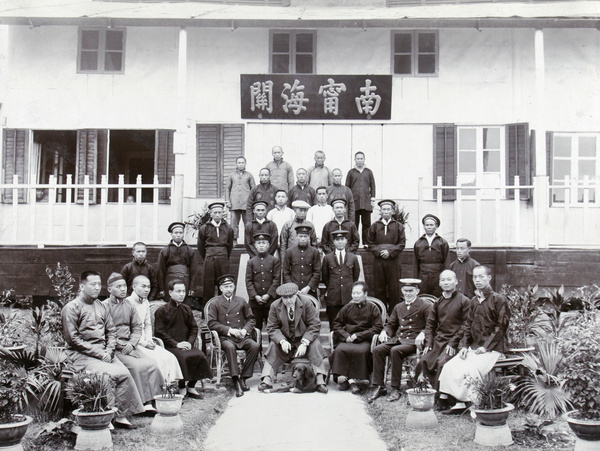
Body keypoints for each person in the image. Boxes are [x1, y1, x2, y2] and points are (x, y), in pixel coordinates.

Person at [62, 271, 145, 429]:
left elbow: (111, 331)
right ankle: (105, 417)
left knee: (125, 373)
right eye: (93, 284)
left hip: (104, 352)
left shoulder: (100, 305)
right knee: (109, 375)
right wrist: (100, 353)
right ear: (81, 286)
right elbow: (72, 339)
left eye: (99, 284)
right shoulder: (71, 308)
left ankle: (121, 416)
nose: (97, 288)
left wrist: (109, 349)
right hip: (81, 354)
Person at [438, 265, 510, 414]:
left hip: (494, 349)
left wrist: (486, 347)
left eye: (481, 276)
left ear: (489, 278)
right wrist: (464, 346)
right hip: (475, 347)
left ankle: (476, 403)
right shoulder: (474, 301)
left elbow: (501, 327)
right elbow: (467, 325)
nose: (477, 280)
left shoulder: (498, 299)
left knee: (471, 368)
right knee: (451, 365)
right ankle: (459, 403)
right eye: (475, 277)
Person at [102, 273, 163, 411]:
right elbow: (105, 333)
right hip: (115, 348)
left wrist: (132, 343)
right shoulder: (104, 306)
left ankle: (153, 400)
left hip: (130, 345)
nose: (123, 289)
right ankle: (141, 402)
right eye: (118, 287)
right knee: (136, 367)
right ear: (110, 289)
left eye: (124, 286)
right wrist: (123, 345)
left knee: (152, 364)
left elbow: (137, 327)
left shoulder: (129, 305)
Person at [367, 279, 433, 403]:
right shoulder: (399, 306)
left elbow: (431, 325)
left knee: (395, 351)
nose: (408, 294)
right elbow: (391, 324)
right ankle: (379, 386)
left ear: (417, 291)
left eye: (411, 291)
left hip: (414, 341)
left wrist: (423, 333)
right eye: (405, 291)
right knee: (378, 350)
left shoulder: (425, 305)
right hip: (399, 339)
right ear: (402, 291)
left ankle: (394, 388)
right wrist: (384, 332)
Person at [258, 283, 328, 394]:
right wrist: (281, 340)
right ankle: (267, 379)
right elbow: (271, 327)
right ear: (281, 297)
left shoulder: (306, 303)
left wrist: (305, 342)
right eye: (285, 298)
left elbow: (314, 325)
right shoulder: (275, 306)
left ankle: (320, 380)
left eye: (291, 296)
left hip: (303, 338)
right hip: (286, 340)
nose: (288, 300)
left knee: (315, 344)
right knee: (273, 345)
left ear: (296, 295)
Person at [154, 280, 212, 399]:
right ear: (170, 292)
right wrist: (176, 344)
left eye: (183, 291)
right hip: (169, 346)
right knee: (182, 357)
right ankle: (181, 388)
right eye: (178, 291)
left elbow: (194, 328)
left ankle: (191, 386)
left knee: (199, 355)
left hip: (186, 345)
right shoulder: (162, 310)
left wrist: (189, 342)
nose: (182, 294)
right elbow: (159, 332)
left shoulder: (186, 309)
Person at [207, 274, 260, 398]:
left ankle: (244, 377)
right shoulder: (215, 303)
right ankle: (235, 379)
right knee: (230, 348)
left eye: (231, 286)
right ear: (221, 289)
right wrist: (229, 330)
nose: (229, 289)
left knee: (255, 346)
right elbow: (211, 323)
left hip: (241, 336)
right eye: (226, 287)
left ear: (234, 287)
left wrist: (245, 330)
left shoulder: (241, 301)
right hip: (226, 337)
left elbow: (251, 319)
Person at [416, 270, 470, 391]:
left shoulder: (464, 301)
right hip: (438, 341)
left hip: (455, 342)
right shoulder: (437, 303)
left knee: (442, 363)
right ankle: (425, 391)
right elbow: (430, 324)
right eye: (443, 280)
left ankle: (441, 397)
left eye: (449, 279)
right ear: (439, 283)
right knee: (424, 360)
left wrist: (454, 342)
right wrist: (429, 343)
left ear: (456, 282)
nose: (446, 282)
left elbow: (466, 325)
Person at [127, 275, 183, 384]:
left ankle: (168, 389)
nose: (147, 290)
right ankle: (158, 390)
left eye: (148, 287)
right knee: (156, 360)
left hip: (146, 340)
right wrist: (143, 343)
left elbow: (147, 324)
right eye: (143, 286)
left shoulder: (145, 302)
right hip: (135, 342)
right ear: (134, 287)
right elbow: (127, 329)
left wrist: (149, 340)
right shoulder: (128, 303)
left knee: (169, 357)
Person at [330, 282, 383, 394]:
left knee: (361, 351)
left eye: (358, 293)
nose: (355, 295)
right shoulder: (347, 308)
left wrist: (359, 336)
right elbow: (336, 324)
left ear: (365, 294)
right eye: (353, 293)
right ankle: (348, 380)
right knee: (339, 350)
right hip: (347, 339)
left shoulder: (372, 308)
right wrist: (346, 336)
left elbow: (377, 327)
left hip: (364, 340)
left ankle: (354, 380)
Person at [367, 199, 406, 312]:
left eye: (388, 209)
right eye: (384, 209)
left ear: (392, 211)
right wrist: (379, 252)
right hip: (379, 261)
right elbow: (370, 243)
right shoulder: (374, 226)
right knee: (379, 287)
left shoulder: (398, 226)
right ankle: (381, 314)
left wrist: (390, 252)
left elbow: (402, 243)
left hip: (393, 261)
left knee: (394, 288)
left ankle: (394, 314)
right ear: (381, 211)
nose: (386, 212)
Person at [321, 230, 361, 329]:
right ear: (333, 242)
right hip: (333, 298)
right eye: (337, 239)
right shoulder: (327, 258)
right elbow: (325, 277)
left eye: (342, 239)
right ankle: (334, 344)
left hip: (348, 297)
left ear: (346, 241)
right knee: (334, 324)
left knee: (349, 324)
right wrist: (332, 288)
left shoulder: (353, 258)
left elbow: (355, 276)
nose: (340, 242)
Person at [197, 201, 234, 305]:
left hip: (223, 259)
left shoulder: (228, 228)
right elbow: (200, 246)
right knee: (208, 285)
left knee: (224, 284)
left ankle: (224, 310)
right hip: (209, 258)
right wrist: (209, 255)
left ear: (223, 213)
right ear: (210, 213)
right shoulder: (204, 228)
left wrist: (223, 256)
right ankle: (207, 311)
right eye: (215, 212)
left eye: (219, 212)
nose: (217, 215)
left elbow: (229, 246)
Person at [246, 233, 281, 330]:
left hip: (271, 301)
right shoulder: (251, 262)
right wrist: (255, 296)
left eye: (264, 243)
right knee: (256, 329)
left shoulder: (274, 261)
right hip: (255, 302)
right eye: (259, 243)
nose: (261, 245)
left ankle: (272, 346)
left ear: (268, 245)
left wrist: (268, 295)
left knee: (273, 327)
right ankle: (257, 346)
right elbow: (248, 281)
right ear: (255, 245)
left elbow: (276, 280)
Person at [156, 222, 196, 302]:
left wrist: (192, 288)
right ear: (171, 234)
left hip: (185, 280)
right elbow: (160, 270)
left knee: (184, 303)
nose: (178, 235)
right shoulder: (165, 251)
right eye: (176, 233)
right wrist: (161, 289)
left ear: (183, 234)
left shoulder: (189, 250)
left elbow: (194, 270)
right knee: (170, 304)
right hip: (170, 280)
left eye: (180, 233)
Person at [414, 214, 450, 298]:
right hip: (423, 275)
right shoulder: (418, 243)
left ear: (436, 226)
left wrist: (445, 278)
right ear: (424, 227)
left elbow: (446, 261)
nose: (429, 227)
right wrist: (416, 280)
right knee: (423, 296)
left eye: (431, 225)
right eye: (427, 225)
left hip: (437, 274)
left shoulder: (442, 242)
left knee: (438, 297)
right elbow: (415, 263)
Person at [345, 152, 376, 245]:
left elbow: (373, 186)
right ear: (355, 160)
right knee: (354, 224)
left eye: (361, 158)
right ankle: (355, 243)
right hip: (354, 203)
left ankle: (366, 243)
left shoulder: (368, 172)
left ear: (364, 159)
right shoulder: (351, 172)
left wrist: (372, 200)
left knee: (366, 224)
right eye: (358, 159)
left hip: (366, 202)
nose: (360, 160)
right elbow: (347, 187)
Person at [283, 225, 321, 298]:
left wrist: (308, 287)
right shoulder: (289, 252)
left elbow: (317, 272)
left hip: (310, 291)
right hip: (293, 292)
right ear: (297, 236)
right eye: (300, 236)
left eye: (305, 236)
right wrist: (292, 288)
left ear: (309, 237)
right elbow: (286, 272)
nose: (303, 239)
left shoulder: (314, 252)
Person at [225, 156, 256, 246]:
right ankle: (234, 240)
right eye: (239, 163)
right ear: (236, 164)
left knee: (248, 223)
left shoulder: (249, 175)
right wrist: (228, 201)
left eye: (242, 163)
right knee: (234, 223)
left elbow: (253, 189)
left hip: (247, 204)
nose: (240, 164)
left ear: (245, 164)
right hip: (234, 204)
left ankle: (248, 242)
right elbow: (227, 188)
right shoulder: (231, 175)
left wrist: (253, 203)